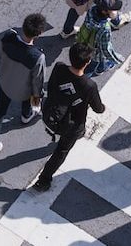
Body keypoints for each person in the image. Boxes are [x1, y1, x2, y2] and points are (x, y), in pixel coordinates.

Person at [33, 43, 105, 191]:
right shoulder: (89, 85)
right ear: (87, 63)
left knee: (60, 149)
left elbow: (51, 87)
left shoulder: (59, 67)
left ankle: (44, 181)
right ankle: (44, 179)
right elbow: (98, 109)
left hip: (51, 113)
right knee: (61, 151)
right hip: (72, 126)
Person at [0, 14, 47, 157]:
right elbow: (37, 82)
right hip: (23, 90)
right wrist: (36, 102)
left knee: (0, 110)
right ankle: (26, 114)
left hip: (5, 82)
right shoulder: (37, 57)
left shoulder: (8, 37)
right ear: (39, 34)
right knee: (28, 96)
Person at [76, 0, 125, 77]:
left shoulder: (91, 10)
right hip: (95, 52)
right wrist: (116, 59)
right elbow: (105, 49)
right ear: (104, 11)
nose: (113, 11)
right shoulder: (105, 29)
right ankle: (83, 79)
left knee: (99, 61)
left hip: (85, 41)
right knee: (91, 67)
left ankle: (100, 69)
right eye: (111, 9)